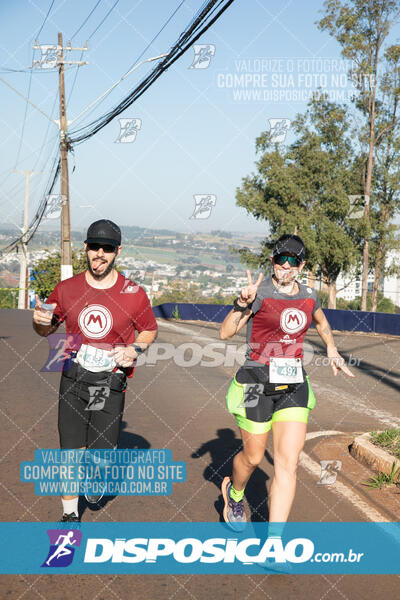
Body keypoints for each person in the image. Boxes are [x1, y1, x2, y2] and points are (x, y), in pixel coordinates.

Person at [219, 234, 354, 534]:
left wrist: (331, 347)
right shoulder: (260, 292)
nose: (286, 266)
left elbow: (320, 322)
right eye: (281, 259)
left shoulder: (309, 294)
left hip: (293, 384)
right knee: (254, 457)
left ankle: (275, 542)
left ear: (302, 265)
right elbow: (225, 333)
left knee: (287, 464)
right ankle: (235, 494)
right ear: (272, 261)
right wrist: (241, 304)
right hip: (255, 381)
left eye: (293, 261)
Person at [33, 219, 158, 522]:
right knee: (70, 450)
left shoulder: (133, 292)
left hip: (109, 380)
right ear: (86, 248)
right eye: (95, 247)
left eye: (108, 248)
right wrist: (39, 321)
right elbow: (46, 330)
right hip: (74, 375)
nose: (100, 254)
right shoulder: (66, 289)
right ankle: (69, 514)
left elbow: (149, 331)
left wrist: (134, 349)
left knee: (102, 455)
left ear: (117, 252)